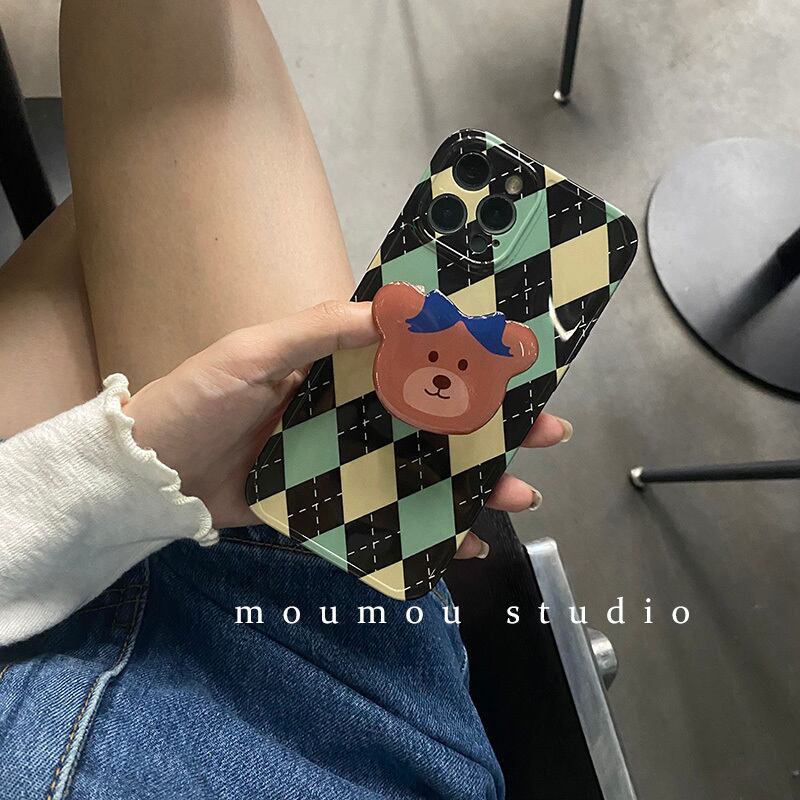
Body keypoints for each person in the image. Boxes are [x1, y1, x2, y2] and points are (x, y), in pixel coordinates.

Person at [0, 2, 573, 797]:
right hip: (324, 657)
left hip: (163, 618)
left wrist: (113, 482)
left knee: (141, 171)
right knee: (157, 148)